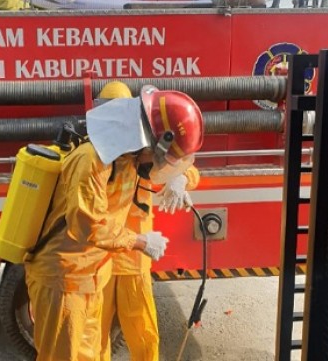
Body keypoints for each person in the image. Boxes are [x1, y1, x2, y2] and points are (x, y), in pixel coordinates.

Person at [24, 82, 204, 361]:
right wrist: (141, 241)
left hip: (93, 274)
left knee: (96, 354)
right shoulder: (91, 160)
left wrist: (180, 177)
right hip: (64, 280)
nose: (158, 164)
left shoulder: (128, 158)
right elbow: (87, 225)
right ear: (151, 141)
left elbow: (178, 166)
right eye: (160, 156)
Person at [97, 82, 201, 361]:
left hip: (132, 259)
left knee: (143, 333)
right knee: (96, 338)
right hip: (104, 259)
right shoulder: (97, 156)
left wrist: (180, 179)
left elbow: (185, 164)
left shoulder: (143, 148)